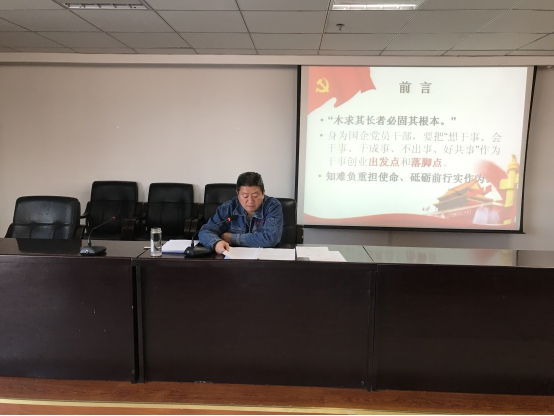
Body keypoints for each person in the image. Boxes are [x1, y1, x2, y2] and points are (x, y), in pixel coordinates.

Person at [198, 172, 283, 254]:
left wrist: (232, 238)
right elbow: (205, 231)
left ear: (263, 193)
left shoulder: (273, 206)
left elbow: (270, 239)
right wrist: (216, 243)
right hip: (233, 258)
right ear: (238, 194)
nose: (250, 201)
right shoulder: (228, 208)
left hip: (263, 259)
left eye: (255, 196)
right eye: (245, 196)